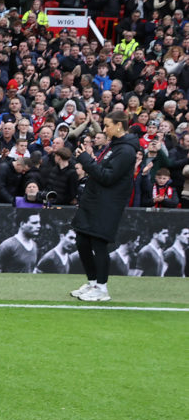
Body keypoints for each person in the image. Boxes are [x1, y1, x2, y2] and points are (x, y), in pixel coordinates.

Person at [72, 111, 139, 301]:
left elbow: (107, 177)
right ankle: (93, 283)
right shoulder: (114, 146)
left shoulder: (126, 150)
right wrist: (90, 159)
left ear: (119, 125)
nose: (104, 129)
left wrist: (86, 160)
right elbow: (101, 170)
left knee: (98, 244)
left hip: (107, 204)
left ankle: (102, 288)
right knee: (82, 241)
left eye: (108, 125)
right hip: (94, 201)